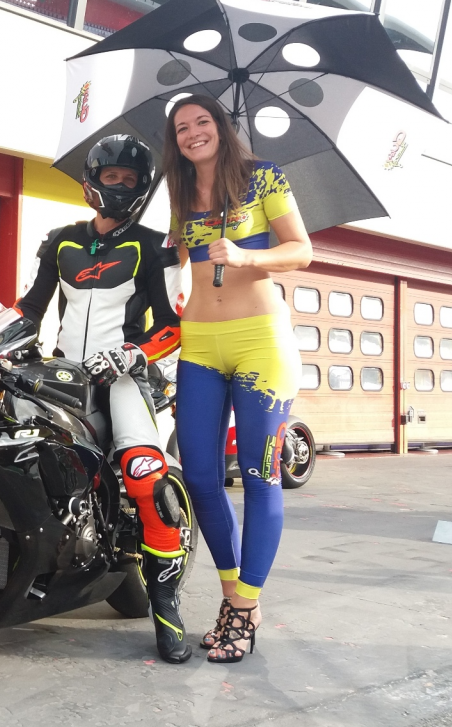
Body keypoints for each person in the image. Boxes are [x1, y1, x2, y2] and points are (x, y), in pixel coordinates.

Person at [14, 135, 191, 664]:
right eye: (110, 176)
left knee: (143, 473)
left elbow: (173, 325)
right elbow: (30, 309)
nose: (118, 186)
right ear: (92, 181)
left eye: (129, 179)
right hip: (61, 373)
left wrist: (133, 355)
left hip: (123, 378)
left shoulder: (154, 245)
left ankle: (166, 607)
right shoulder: (61, 241)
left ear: (142, 187)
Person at [163, 94, 312, 663]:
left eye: (202, 121)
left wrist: (248, 257)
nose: (193, 133)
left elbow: (301, 250)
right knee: (201, 476)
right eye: (182, 127)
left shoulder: (262, 177)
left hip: (260, 344)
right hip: (199, 345)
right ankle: (234, 596)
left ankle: (244, 609)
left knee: (258, 474)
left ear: (222, 128)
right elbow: (177, 263)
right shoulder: (180, 192)